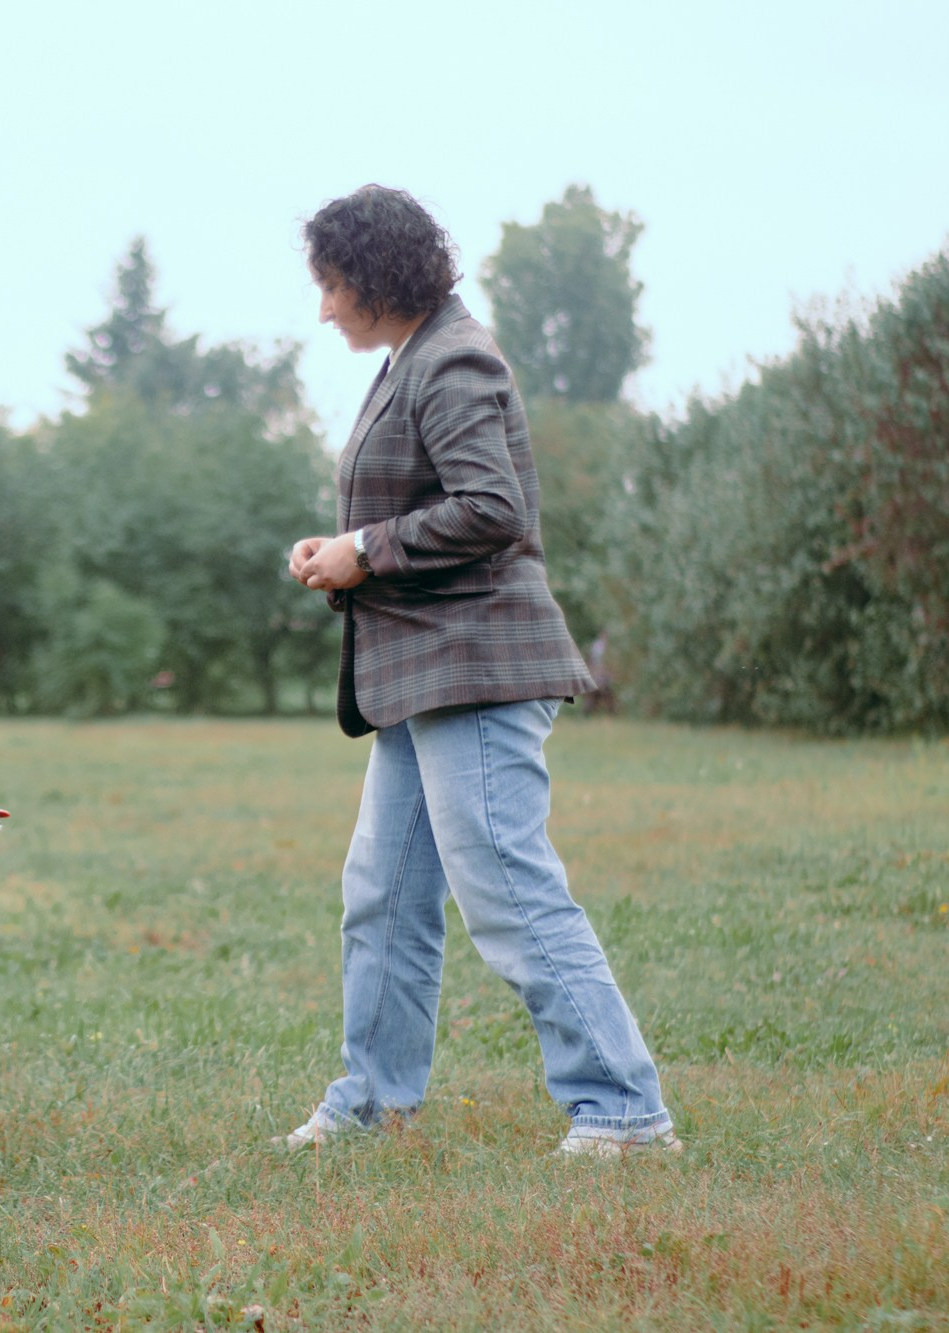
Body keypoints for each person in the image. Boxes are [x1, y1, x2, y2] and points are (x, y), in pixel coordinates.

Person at [284, 185, 678, 1157]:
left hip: (479, 669)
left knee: (505, 888)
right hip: (423, 678)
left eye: (332, 285)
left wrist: (364, 550)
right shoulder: (409, 357)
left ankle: (624, 1113)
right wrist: (341, 549)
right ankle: (374, 1101)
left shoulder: (453, 357)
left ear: (376, 277)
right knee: (382, 892)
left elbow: (489, 508)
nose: (323, 306)